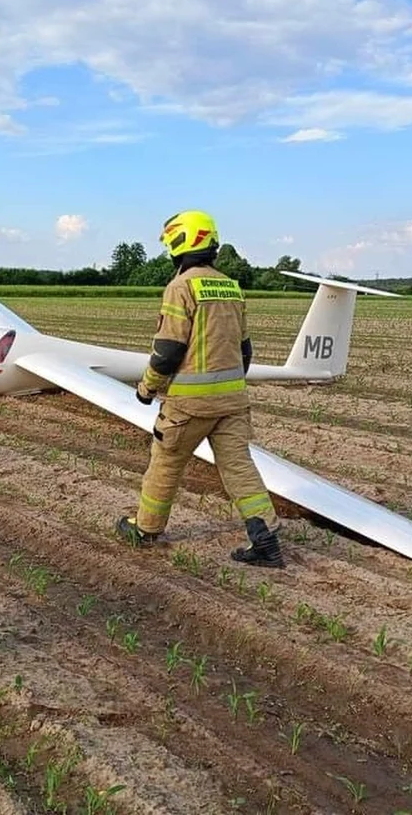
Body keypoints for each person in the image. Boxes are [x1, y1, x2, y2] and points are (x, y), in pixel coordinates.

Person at [118, 210, 284, 568]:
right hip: (233, 402)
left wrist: (147, 389)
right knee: (239, 468)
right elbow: (245, 350)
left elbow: (168, 351)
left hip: (188, 406)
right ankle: (266, 539)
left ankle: (145, 530)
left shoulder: (181, 287)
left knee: (165, 465)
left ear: (180, 242)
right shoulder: (230, 286)